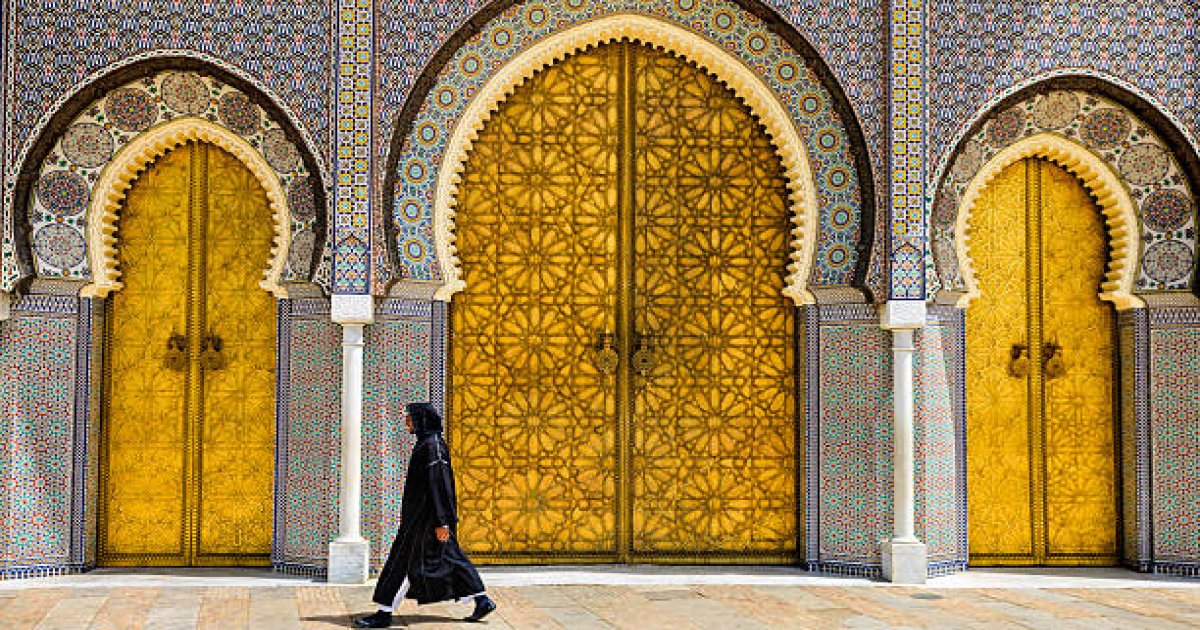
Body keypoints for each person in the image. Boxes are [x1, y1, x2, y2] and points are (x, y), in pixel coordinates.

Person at [353, 403, 496, 628]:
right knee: (449, 557)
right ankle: (481, 599)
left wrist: (442, 521)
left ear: (422, 419)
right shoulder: (427, 444)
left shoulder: (432, 447)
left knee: (404, 564)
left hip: (426, 520)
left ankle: (384, 612)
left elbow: (439, 485)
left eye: (410, 417)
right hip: (423, 518)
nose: (407, 422)